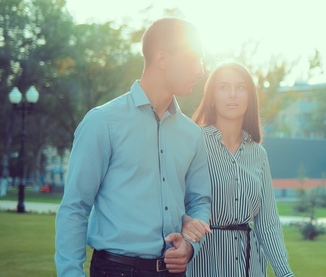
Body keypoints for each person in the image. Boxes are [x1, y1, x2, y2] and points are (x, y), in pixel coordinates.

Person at [55, 18, 212, 277]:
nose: (201, 70)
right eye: (194, 59)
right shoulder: (103, 122)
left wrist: (191, 246)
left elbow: (199, 202)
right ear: (162, 59)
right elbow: (74, 207)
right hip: (115, 270)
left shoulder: (192, 135)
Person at [183, 61, 294, 277]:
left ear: (250, 97)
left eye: (241, 87)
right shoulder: (193, 142)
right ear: (212, 96)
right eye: (224, 87)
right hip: (203, 264)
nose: (232, 94)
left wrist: (285, 274)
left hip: (249, 267)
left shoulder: (258, 154)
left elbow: (268, 225)